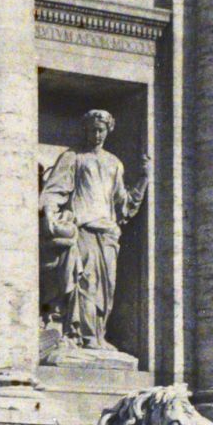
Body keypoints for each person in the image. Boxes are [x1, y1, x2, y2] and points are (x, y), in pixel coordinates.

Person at [39, 108, 148, 351]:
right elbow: (55, 190)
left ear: (108, 131)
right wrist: (49, 212)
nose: (96, 135)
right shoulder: (73, 157)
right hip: (84, 229)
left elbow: (124, 205)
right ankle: (85, 336)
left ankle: (99, 334)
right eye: (92, 130)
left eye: (101, 130)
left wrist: (144, 178)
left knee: (106, 289)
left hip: (108, 232)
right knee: (86, 282)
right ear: (85, 130)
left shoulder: (114, 163)